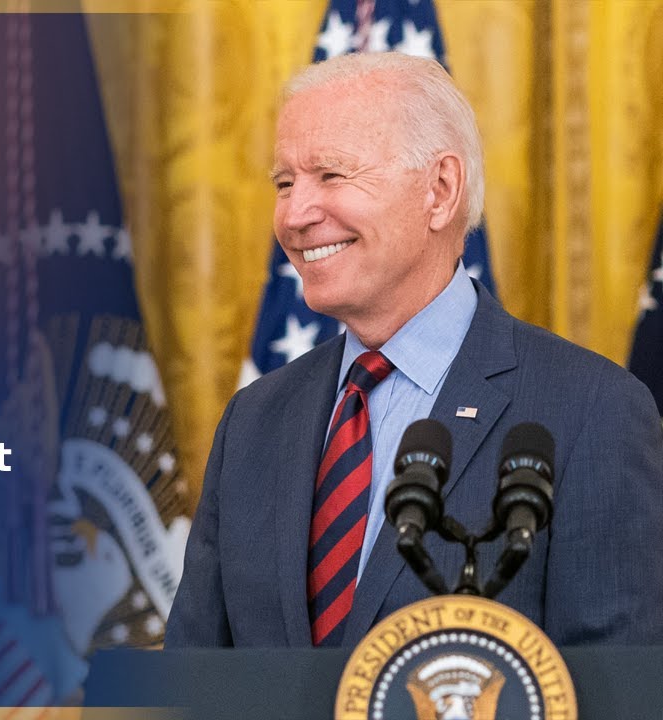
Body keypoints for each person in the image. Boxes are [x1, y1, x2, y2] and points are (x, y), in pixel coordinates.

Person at [165, 52, 663, 649]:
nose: (295, 215)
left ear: (440, 191)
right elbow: (192, 683)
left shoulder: (593, 413)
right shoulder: (252, 421)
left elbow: (618, 692)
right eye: (284, 183)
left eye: (331, 175)